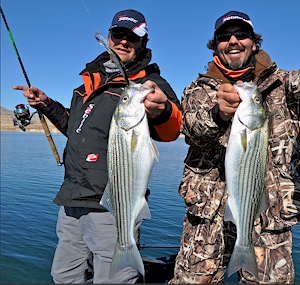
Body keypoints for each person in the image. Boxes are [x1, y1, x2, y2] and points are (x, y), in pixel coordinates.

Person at [169, 9, 300, 284]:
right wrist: (218, 113)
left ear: (254, 42)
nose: (233, 41)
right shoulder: (198, 89)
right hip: (207, 216)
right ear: (214, 44)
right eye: (224, 36)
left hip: (270, 217)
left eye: (242, 35)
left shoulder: (283, 85)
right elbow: (192, 128)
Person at [14, 9, 182, 284]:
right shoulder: (86, 85)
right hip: (71, 198)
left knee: (114, 278)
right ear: (109, 36)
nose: (124, 41)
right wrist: (46, 105)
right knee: (64, 275)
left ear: (143, 42)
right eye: (118, 34)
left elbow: (172, 128)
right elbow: (74, 128)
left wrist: (161, 110)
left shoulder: (149, 83)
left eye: (133, 37)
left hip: (113, 204)